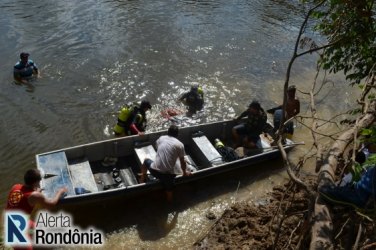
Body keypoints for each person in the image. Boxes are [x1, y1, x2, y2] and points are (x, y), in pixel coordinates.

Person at [6, 169, 67, 250]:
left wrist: (35, 191)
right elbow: (51, 204)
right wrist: (60, 192)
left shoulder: (15, 186)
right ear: (35, 183)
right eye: (39, 181)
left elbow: (23, 197)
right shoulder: (35, 195)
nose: (40, 183)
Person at [140, 125, 191, 202]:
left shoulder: (161, 138)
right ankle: (169, 202)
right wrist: (184, 173)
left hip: (154, 171)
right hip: (168, 176)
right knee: (169, 191)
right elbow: (182, 162)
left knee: (146, 160)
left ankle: (142, 178)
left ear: (168, 132)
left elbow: (157, 147)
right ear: (177, 135)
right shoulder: (180, 145)